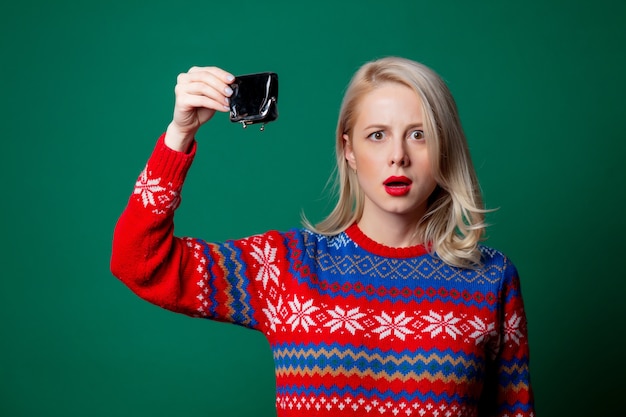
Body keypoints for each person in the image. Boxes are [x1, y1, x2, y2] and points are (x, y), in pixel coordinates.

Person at [111, 57, 535, 416]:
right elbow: (139, 262)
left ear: (446, 146)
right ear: (348, 149)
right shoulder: (286, 267)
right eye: (377, 135)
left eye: (419, 134)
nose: (398, 156)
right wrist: (178, 135)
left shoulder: (490, 279)